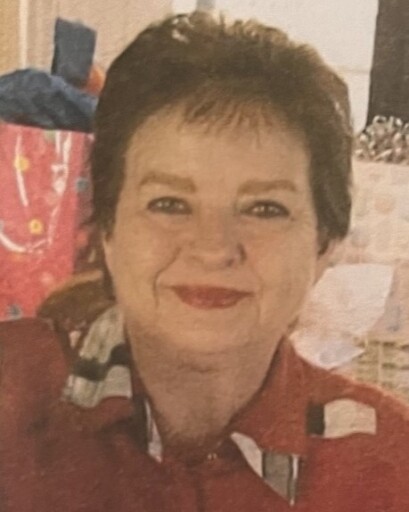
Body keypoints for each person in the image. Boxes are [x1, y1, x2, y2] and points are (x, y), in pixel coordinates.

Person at [1, 11, 409, 512]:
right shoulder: (11, 401)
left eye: (265, 209)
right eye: (169, 204)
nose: (214, 248)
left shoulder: (390, 463)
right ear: (107, 229)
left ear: (324, 244)